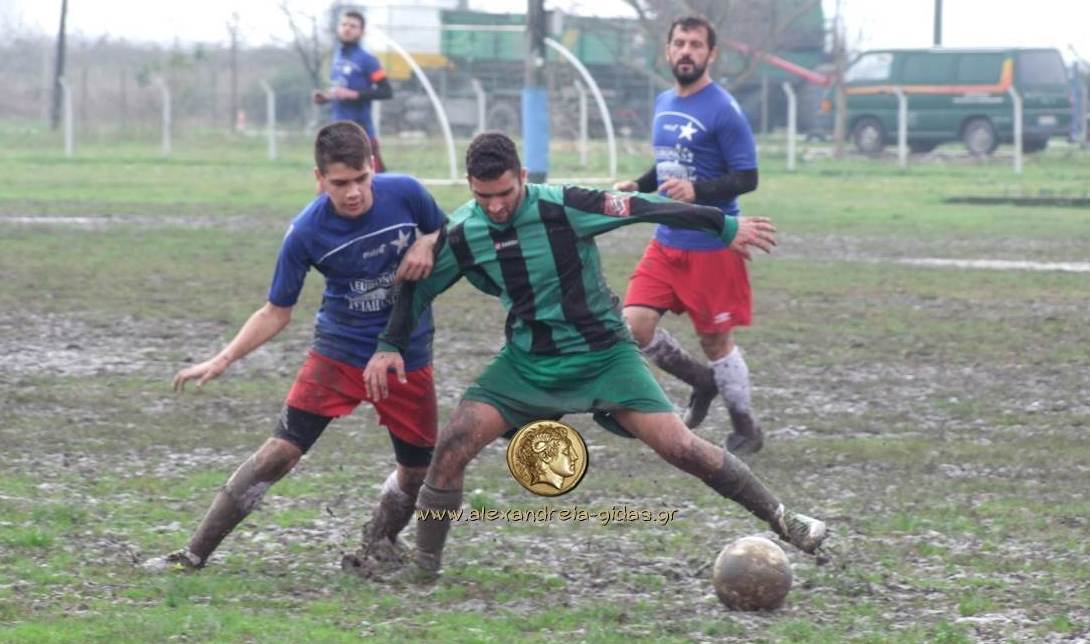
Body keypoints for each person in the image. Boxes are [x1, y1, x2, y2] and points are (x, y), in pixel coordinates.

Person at [364, 132, 826, 583]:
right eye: (485, 196)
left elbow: (643, 208)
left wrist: (722, 225)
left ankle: (785, 520)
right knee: (452, 445)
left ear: (522, 176)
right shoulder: (465, 231)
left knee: (682, 447)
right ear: (470, 185)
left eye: (505, 192)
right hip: (529, 363)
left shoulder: (564, 204)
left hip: (606, 356)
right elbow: (416, 286)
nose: (497, 206)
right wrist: (389, 345)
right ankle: (424, 568)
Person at [143, 121, 445, 572]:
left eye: (362, 178)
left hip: (406, 355)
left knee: (418, 472)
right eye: (340, 184)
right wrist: (223, 358)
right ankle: (192, 554)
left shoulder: (406, 193)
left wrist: (429, 239)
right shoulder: (305, 231)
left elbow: (455, 232)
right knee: (279, 452)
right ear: (319, 179)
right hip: (339, 353)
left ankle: (378, 543)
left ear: (373, 166)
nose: (354, 193)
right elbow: (276, 311)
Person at [614, 16, 763, 454]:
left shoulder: (723, 109)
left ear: (711, 54)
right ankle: (699, 382)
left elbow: (747, 177)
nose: (686, 51)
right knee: (633, 327)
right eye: (679, 43)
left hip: (712, 244)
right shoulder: (664, 101)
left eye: (695, 45)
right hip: (666, 239)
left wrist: (698, 191)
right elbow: (669, 162)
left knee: (716, 341)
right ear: (667, 50)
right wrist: (638, 186)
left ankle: (746, 427)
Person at [313, 10, 393, 173]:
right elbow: (341, 89)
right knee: (337, 182)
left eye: (353, 26)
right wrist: (326, 97)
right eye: (344, 24)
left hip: (361, 132)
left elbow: (386, 91)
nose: (347, 29)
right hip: (337, 133)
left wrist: (355, 94)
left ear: (361, 32)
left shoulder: (368, 59)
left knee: (375, 182)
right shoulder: (337, 57)